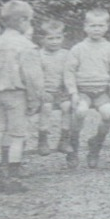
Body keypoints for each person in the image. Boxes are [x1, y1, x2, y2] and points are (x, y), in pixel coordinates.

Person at [0, 0, 45, 193]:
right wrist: (35, 101)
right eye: (29, 21)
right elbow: (33, 79)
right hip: (16, 94)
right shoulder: (25, 46)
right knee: (17, 136)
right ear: (23, 20)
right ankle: (13, 178)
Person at [66, 8, 110, 169]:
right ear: (85, 27)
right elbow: (69, 72)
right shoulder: (78, 49)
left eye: (100, 26)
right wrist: (73, 93)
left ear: (107, 27)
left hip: (101, 92)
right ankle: (73, 146)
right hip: (83, 91)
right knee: (80, 111)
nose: (96, 29)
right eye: (92, 26)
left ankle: (95, 146)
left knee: (108, 112)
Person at [34, 19, 72, 157]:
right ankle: (43, 139)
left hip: (61, 90)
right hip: (45, 91)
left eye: (58, 38)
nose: (55, 41)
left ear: (63, 37)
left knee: (67, 106)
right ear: (41, 39)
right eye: (50, 38)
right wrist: (41, 91)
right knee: (47, 108)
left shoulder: (66, 54)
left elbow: (70, 73)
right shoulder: (38, 55)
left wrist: (68, 88)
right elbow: (36, 76)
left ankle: (64, 139)